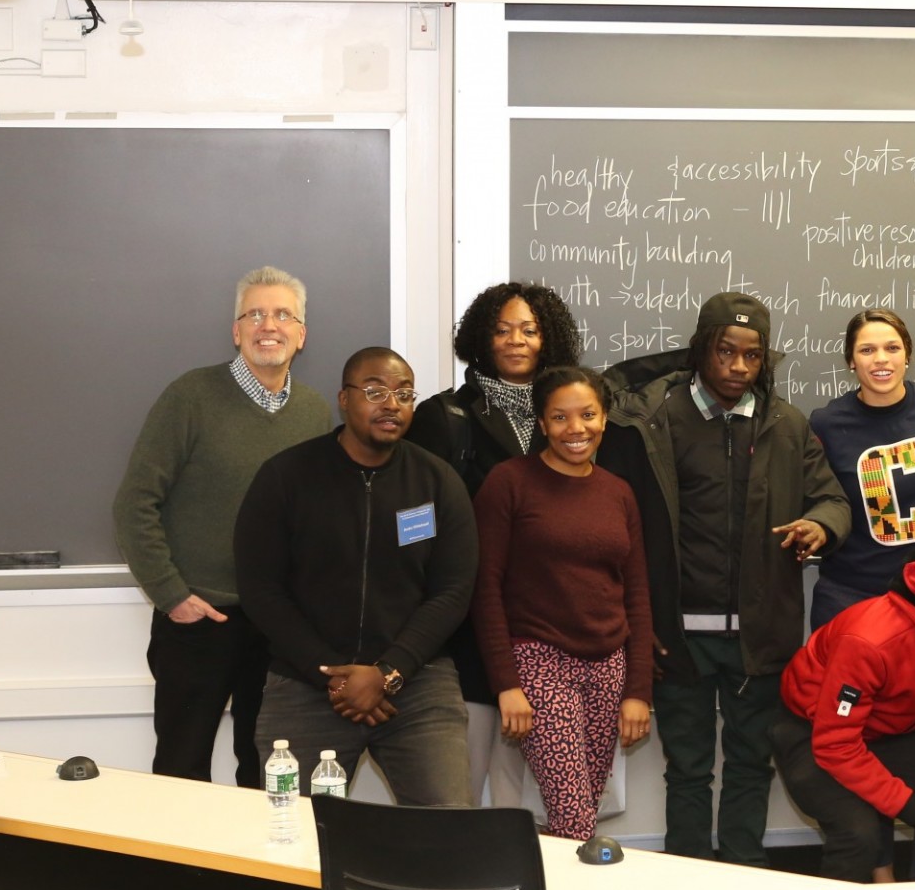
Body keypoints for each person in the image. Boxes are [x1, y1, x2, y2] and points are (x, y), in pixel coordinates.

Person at [599, 291, 850, 866]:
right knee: (686, 769)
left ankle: (744, 878)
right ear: (699, 352)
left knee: (749, 764)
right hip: (679, 636)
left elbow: (832, 500)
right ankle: (686, 880)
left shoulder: (786, 425)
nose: (739, 367)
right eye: (725, 352)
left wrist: (819, 526)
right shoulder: (652, 421)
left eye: (752, 356)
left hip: (761, 636)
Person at [112, 266, 330, 787]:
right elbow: (134, 504)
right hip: (198, 621)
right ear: (237, 331)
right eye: (254, 314)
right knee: (181, 774)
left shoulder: (315, 413)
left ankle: (254, 873)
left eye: (282, 314)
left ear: (301, 334)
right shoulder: (191, 397)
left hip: (278, 627)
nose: (268, 325)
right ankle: (181, 874)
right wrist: (172, 596)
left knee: (267, 774)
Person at [234, 347, 477, 805]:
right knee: (292, 835)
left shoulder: (438, 482)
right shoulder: (286, 477)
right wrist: (332, 676)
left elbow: (453, 591)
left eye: (404, 394)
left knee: (451, 829)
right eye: (375, 391)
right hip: (307, 685)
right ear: (343, 399)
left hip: (416, 684)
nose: (391, 404)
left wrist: (388, 672)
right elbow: (261, 589)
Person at [409, 281, 583, 808]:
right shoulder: (443, 417)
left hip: (551, 621)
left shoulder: (573, 418)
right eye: (502, 329)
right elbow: (413, 522)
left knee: (531, 796)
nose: (515, 341)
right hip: (469, 622)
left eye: (529, 330)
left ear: (546, 338)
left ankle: (523, 881)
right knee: (461, 783)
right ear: (481, 338)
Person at [469, 366, 652, 841]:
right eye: (560, 418)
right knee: (574, 813)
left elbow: (636, 594)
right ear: (542, 423)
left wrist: (638, 690)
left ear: (605, 418)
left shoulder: (618, 492)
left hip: (609, 665)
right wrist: (506, 683)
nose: (577, 429)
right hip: (539, 660)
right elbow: (485, 587)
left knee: (582, 807)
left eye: (588, 414)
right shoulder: (509, 482)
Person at [772, 546, 915, 883]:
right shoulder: (871, 639)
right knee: (858, 836)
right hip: (812, 730)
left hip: (888, 731)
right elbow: (836, 744)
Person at [808, 309, 915, 630]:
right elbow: (814, 496)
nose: (881, 359)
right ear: (851, 361)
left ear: (907, 354)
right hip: (849, 596)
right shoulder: (826, 423)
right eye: (867, 350)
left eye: (892, 348)